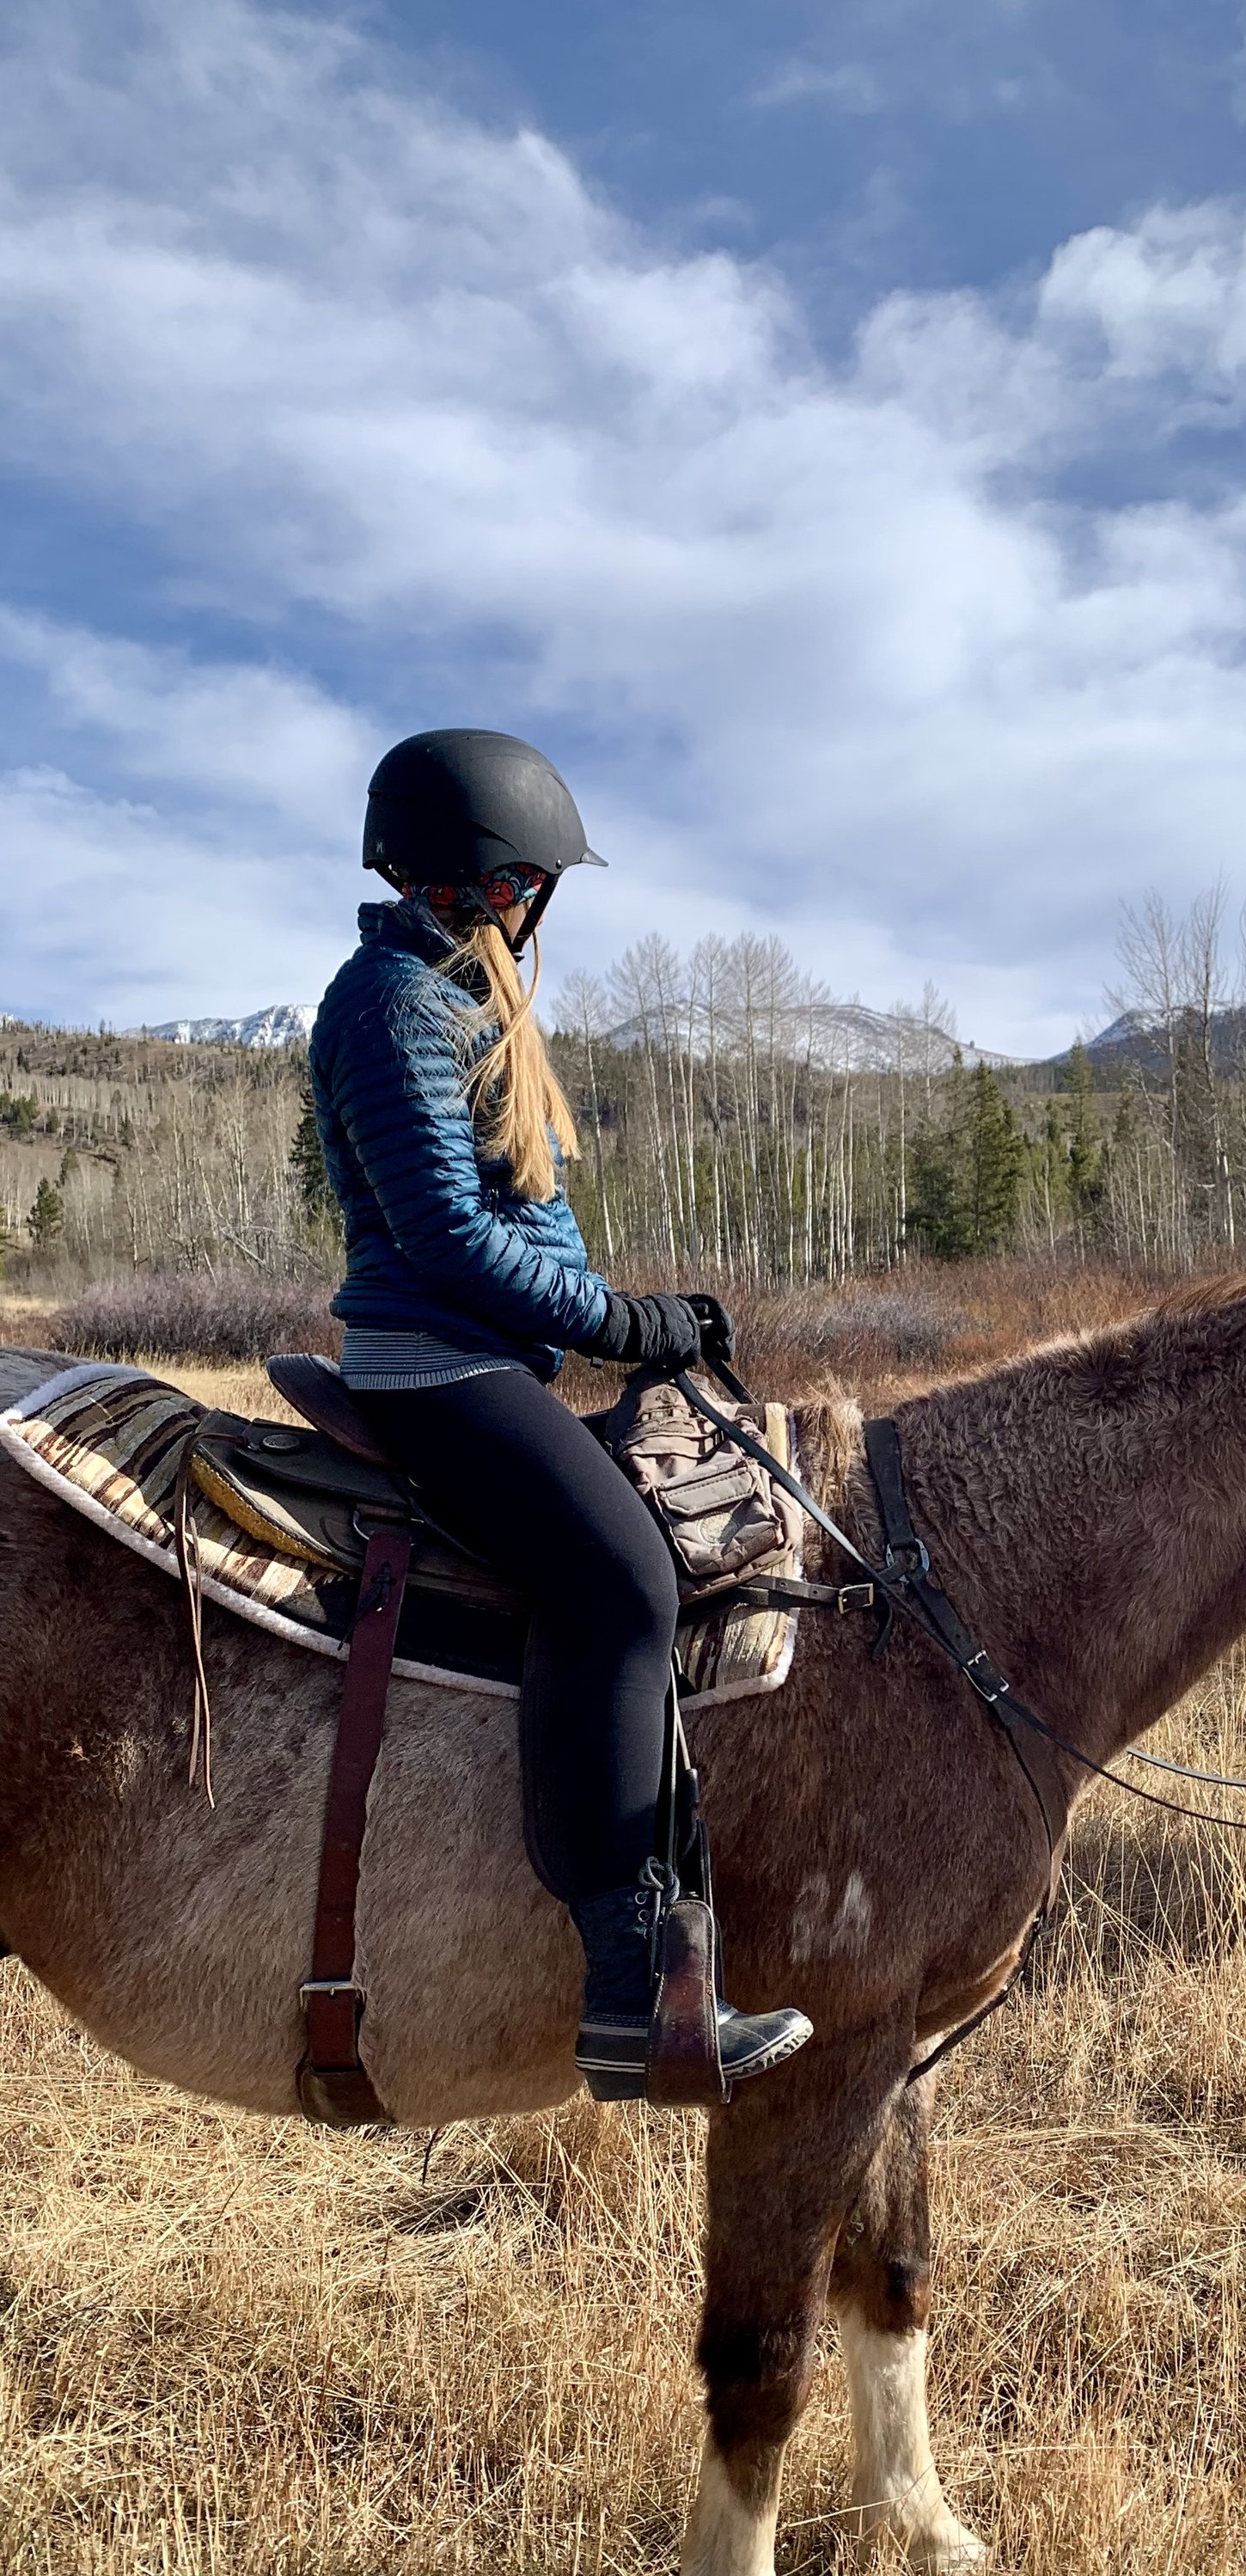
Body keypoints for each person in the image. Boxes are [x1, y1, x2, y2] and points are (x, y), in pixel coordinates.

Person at [308, 727, 813, 2104]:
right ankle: (631, 1985)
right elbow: (449, 1242)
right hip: (436, 1370)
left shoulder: (456, 998)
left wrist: (619, 1316)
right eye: (535, 882)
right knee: (624, 1583)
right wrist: (630, 1323)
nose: (541, 907)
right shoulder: (394, 1004)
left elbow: (520, 1228)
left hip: (491, 1364)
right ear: (494, 881)